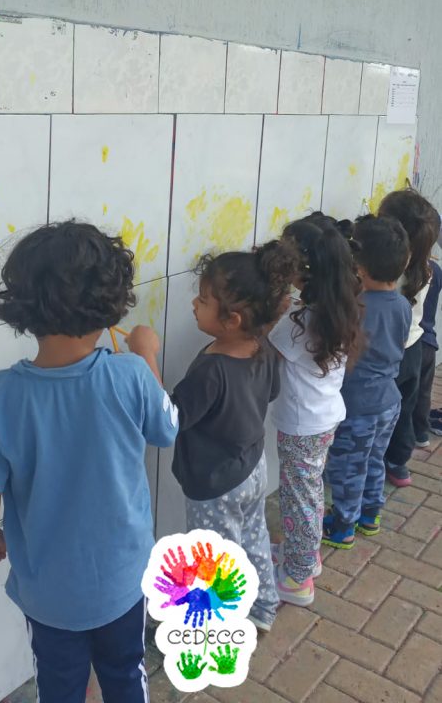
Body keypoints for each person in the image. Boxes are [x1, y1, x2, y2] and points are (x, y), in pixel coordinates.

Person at [0, 221, 178, 703]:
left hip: (49, 593)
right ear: (111, 302)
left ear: (20, 305)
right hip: (124, 579)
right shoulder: (130, 374)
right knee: (126, 673)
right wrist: (146, 355)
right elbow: (167, 427)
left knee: (58, 686)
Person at [135, 241, 298, 634]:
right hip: (252, 467)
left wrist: (145, 355)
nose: (194, 304)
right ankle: (263, 607)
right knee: (254, 536)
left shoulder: (212, 371)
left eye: (204, 300)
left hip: (217, 484)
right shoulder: (263, 348)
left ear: (233, 319)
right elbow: (271, 392)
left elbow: (169, 419)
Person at [269, 220, 362, 607]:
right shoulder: (336, 308)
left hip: (302, 426)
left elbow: (266, 351)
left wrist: (272, 308)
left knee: (299, 498)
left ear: (303, 269)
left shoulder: (298, 323)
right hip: (323, 418)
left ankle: (298, 577)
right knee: (307, 492)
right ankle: (305, 555)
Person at [323, 215, 411, 548]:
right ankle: (370, 515)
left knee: (349, 467)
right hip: (389, 401)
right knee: (374, 459)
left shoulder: (356, 308)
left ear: (358, 266)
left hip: (358, 405)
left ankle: (343, 526)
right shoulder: (402, 304)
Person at [378, 189, 440, 486]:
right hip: (413, 348)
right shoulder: (426, 267)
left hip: (388, 352)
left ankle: (375, 459)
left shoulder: (388, 272)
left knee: (381, 408)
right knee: (404, 408)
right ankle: (398, 464)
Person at [413, 253, 442, 445]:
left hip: (412, 341)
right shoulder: (435, 268)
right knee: (423, 391)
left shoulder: (406, 267)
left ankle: (406, 434)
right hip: (428, 339)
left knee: (408, 393)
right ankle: (421, 433)